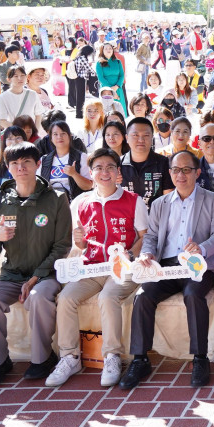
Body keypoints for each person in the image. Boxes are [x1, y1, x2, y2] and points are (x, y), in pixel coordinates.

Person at [119, 150, 214, 390]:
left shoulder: (211, 199)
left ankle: (200, 358)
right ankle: (140, 359)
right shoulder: (160, 203)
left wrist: (201, 248)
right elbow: (151, 237)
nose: (181, 175)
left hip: (198, 266)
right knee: (143, 296)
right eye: (176, 170)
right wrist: (147, 254)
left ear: (197, 172)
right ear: (170, 173)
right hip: (166, 267)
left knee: (193, 295)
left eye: (186, 170)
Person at [45, 148, 146, 387]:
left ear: (118, 172)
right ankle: (70, 357)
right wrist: (78, 240)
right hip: (90, 269)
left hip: (123, 268)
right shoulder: (80, 202)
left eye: (110, 167)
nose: (104, 172)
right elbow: (79, 244)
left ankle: (111, 355)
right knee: (67, 297)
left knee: (108, 296)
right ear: (90, 173)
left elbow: (145, 236)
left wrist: (130, 254)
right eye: (98, 168)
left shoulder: (134, 201)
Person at [0, 142, 72, 386]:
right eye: (15, 164)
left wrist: (36, 277)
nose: (21, 168)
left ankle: (43, 359)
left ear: (38, 164)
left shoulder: (57, 199)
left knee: (38, 297)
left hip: (46, 274)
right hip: (11, 274)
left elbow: (62, 246)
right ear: (8, 168)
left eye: (27, 162)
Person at [120, 117, 174, 208]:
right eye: (135, 135)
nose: (141, 140)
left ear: (152, 138)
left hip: (155, 218)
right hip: (126, 219)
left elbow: (167, 200)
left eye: (146, 135)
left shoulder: (164, 163)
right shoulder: (117, 164)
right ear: (127, 138)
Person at [40, 121, 92, 201]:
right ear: (51, 138)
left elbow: (88, 186)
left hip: (73, 204)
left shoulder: (81, 157)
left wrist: (74, 174)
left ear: (69, 136)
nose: (59, 137)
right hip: (50, 206)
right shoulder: (44, 160)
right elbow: (38, 186)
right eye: (55, 134)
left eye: (63, 133)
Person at [0, 66, 46, 132]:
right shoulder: (2, 97)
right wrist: (19, 131)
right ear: (9, 79)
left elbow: (38, 115)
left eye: (22, 75)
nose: (20, 78)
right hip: (14, 134)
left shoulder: (32, 94)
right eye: (16, 76)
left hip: (31, 133)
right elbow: (2, 120)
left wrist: (35, 132)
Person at [96, 43, 127, 113]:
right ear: (102, 51)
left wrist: (116, 87)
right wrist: (111, 90)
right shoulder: (99, 63)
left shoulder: (118, 62)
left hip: (118, 88)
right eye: (106, 49)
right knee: (107, 110)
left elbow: (122, 75)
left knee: (119, 110)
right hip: (106, 89)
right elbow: (100, 78)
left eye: (110, 48)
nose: (108, 50)